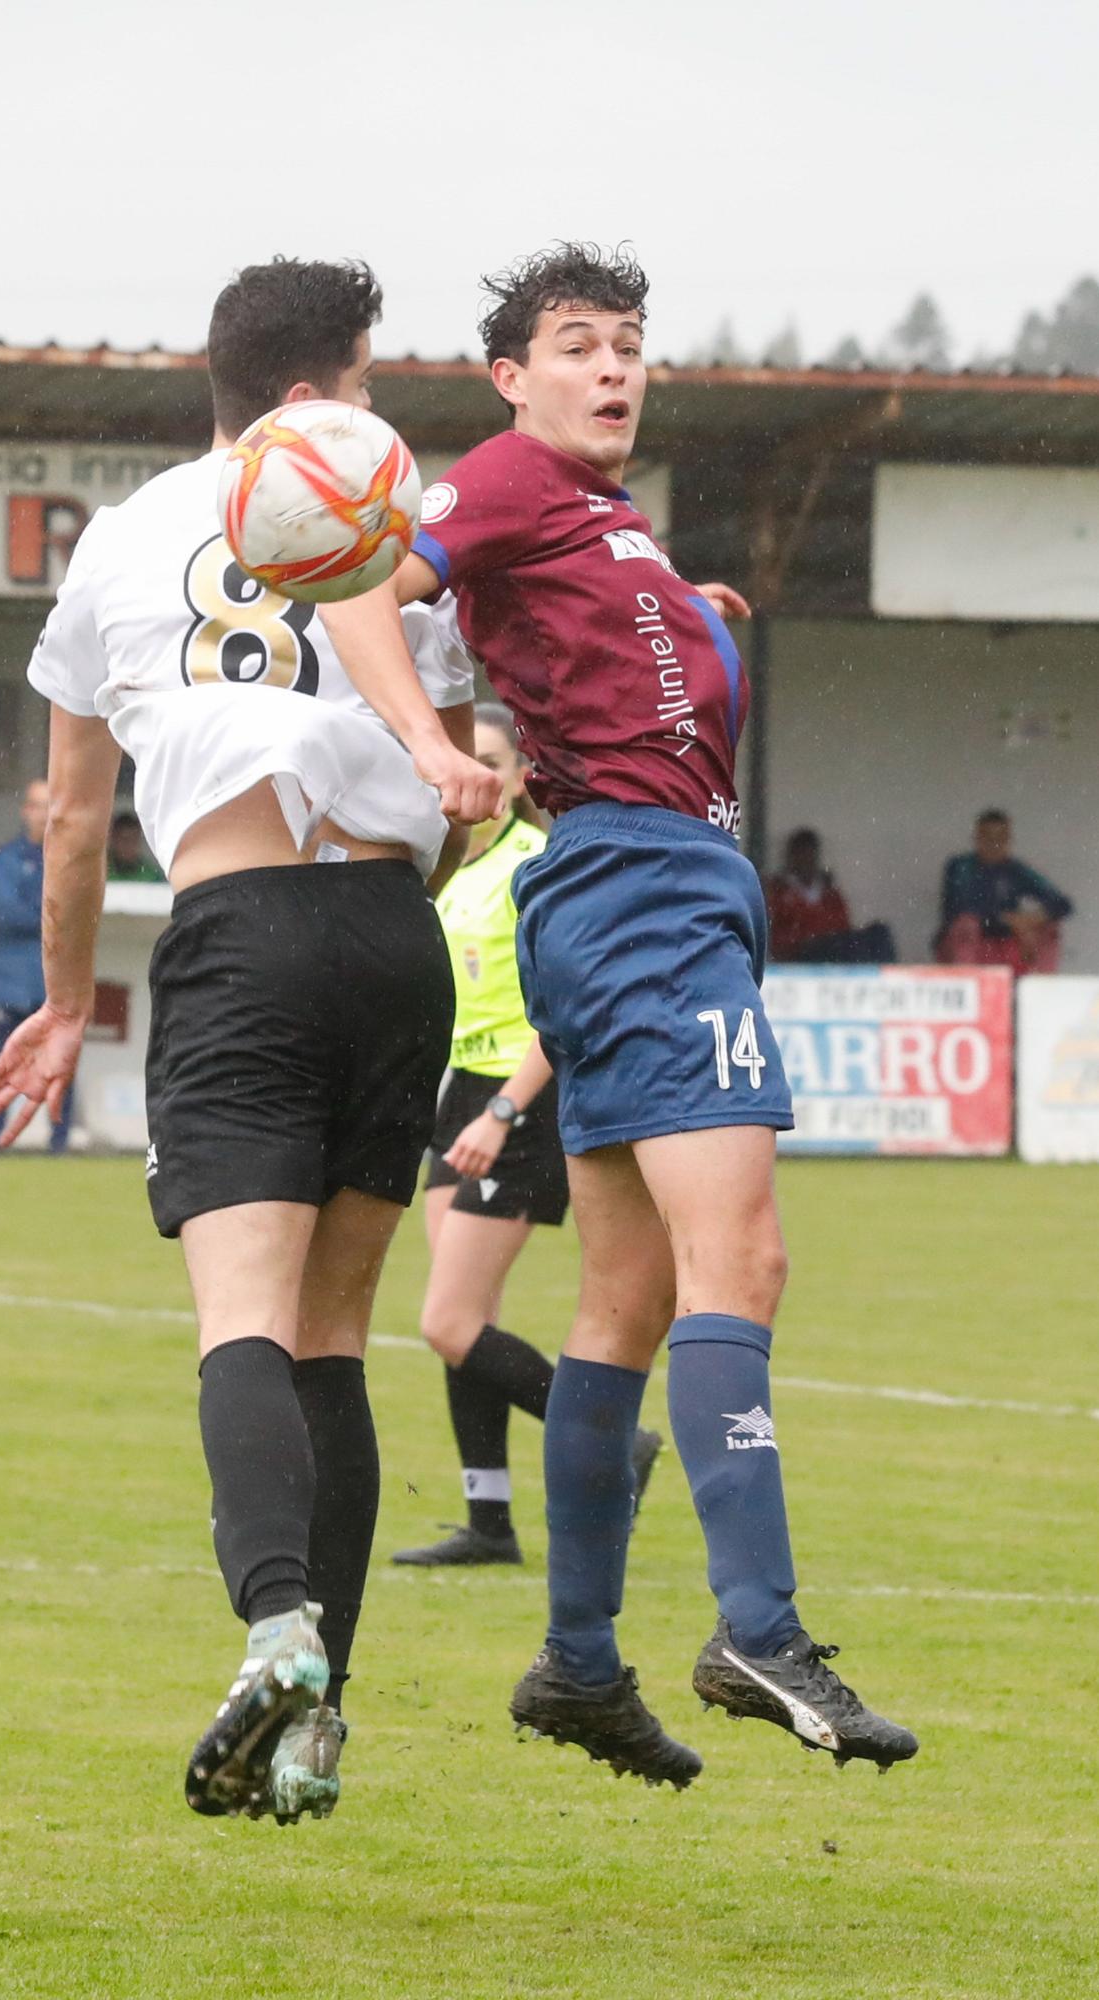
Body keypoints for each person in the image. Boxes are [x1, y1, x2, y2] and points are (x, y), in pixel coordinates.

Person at [325, 243, 917, 1786]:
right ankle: (758, 1628)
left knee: (625, 1306)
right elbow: (364, 589)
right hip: (645, 894)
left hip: (641, 894)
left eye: (630, 344)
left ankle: (578, 1665)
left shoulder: (609, 524)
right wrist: (432, 750)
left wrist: (691, 611)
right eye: (579, 345)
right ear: (514, 379)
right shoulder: (510, 480)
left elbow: (605, 664)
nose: (614, 368)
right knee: (748, 1259)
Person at [0, 257, 499, 1829]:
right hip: (394, 941)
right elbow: (460, 769)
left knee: (243, 1323)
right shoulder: (397, 533)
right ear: (314, 393)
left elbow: (71, 816)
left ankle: (275, 1633)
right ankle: (324, 1727)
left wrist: (64, 1005)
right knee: (335, 1336)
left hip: (242, 933)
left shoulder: (123, 536)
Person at [394, 702, 661, 1569]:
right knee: (469, 1319)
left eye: (495, 759)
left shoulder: (533, 866)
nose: (477, 772)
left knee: (447, 1321)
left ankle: (616, 1441)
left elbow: (571, 1006)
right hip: (463, 1094)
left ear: (517, 777)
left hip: (521, 1101)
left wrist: (503, 1109)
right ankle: (489, 1521)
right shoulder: (446, 870)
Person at [0, 782, 74, 1154]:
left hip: (55, 983)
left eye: (50, 805)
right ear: (25, 810)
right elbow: (8, 912)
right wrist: (51, 917)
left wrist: (49, 915)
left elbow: (75, 908)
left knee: (62, 1065)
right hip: (11, 982)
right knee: (4, 1064)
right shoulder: (6, 858)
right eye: (37, 805)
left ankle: (59, 1143)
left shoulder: (67, 856)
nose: (44, 813)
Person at [935, 809, 1072, 974]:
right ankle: (967, 982)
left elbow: (1063, 904)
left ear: (1009, 840)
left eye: (1001, 838)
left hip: (1006, 946)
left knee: (1050, 927)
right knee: (966, 924)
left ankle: (1042, 987)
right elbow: (959, 906)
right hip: (970, 947)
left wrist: (1034, 918)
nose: (994, 844)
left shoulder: (1015, 870)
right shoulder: (961, 866)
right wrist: (1007, 919)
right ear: (976, 838)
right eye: (988, 837)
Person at [765, 828, 895, 965]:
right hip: (802, 954)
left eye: (810, 854)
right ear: (791, 857)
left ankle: (886, 978)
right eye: (801, 854)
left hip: (835, 947)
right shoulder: (778, 892)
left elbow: (844, 924)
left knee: (878, 932)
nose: (806, 860)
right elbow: (776, 936)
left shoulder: (829, 892)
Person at [106, 809, 165, 883]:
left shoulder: (151, 875)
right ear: (113, 839)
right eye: (124, 839)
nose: (128, 845)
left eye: (133, 839)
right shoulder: (101, 871)